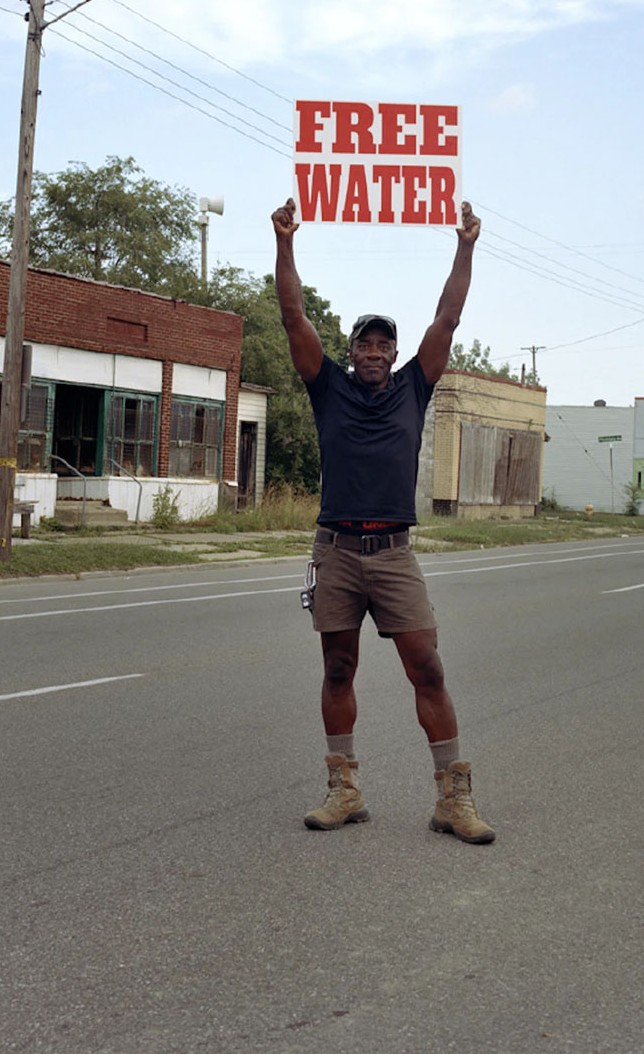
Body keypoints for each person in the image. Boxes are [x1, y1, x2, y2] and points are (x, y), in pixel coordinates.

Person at [272, 196, 495, 845]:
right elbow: (292, 315)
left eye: (383, 344)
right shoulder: (326, 387)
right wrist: (286, 242)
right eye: (364, 344)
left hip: (393, 552)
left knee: (427, 667)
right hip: (336, 550)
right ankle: (344, 788)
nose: (374, 352)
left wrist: (466, 245)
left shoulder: (413, 387)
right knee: (337, 668)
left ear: (395, 354)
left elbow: (448, 317)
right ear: (349, 353)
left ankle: (452, 797)